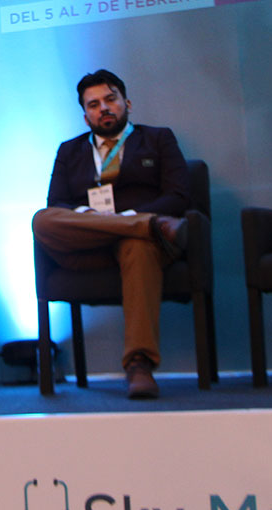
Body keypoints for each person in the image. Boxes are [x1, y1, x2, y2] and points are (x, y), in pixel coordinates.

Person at [32, 69, 191, 399]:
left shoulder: (158, 139)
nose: (103, 108)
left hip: (140, 246)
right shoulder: (69, 151)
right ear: (85, 115)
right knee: (42, 220)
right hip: (88, 248)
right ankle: (146, 225)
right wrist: (96, 219)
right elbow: (57, 204)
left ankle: (139, 364)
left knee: (137, 245)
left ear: (126, 103)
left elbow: (178, 196)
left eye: (110, 99)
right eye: (93, 104)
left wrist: (128, 219)